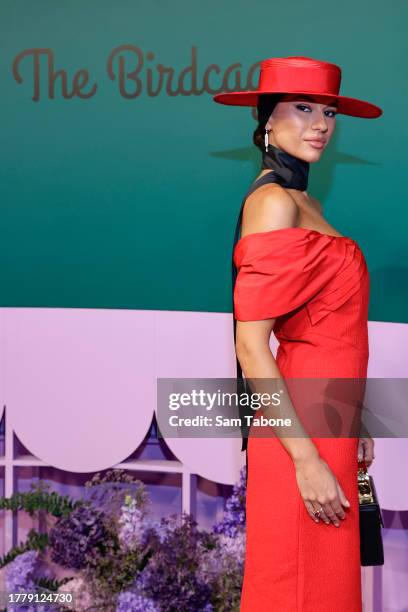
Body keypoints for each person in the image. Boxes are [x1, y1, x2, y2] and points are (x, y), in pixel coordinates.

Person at [213, 56, 383, 611]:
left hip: (323, 421)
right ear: (266, 120)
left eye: (329, 112)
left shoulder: (306, 202)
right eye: (304, 108)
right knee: (294, 589)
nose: (321, 124)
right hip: (298, 437)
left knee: (325, 588)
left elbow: (325, 330)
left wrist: (348, 419)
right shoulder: (272, 202)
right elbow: (249, 343)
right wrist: (306, 459)